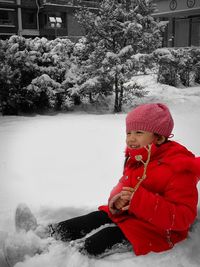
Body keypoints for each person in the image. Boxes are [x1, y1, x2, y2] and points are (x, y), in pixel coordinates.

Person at [10, 103, 200, 260]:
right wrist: (116, 201)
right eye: (129, 133)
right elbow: (122, 186)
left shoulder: (179, 168)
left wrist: (139, 200)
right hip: (130, 214)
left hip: (156, 230)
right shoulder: (138, 157)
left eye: (139, 132)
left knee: (103, 238)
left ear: (158, 137)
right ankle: (44, 233)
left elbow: (183, 218)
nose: (131, 139)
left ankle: (48, 256)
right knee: (93, 218)